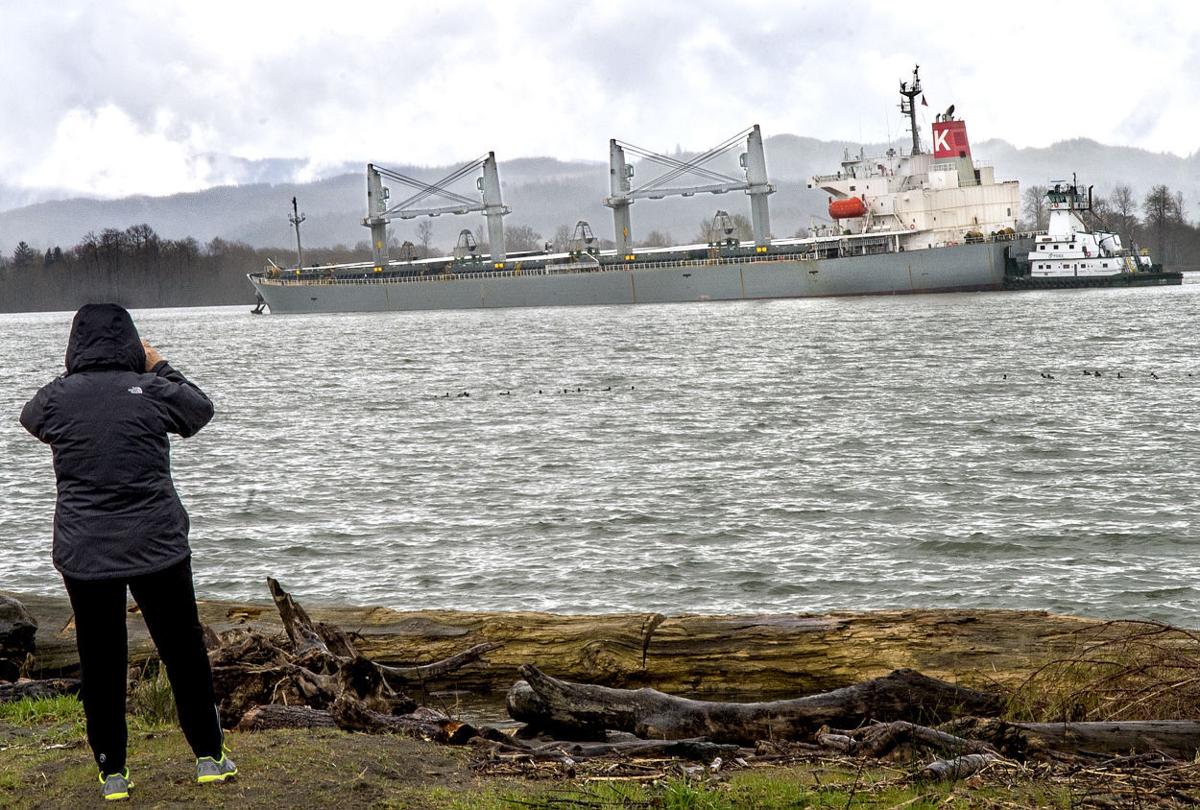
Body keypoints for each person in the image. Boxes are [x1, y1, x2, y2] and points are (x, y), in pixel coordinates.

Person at [19, 303, 237, 801]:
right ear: (133, 343)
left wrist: (77, 376)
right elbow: (199, 409)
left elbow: (32, 418)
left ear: (75, 345)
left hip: (84, 550)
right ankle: (209, 757)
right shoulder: (154, 389)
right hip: (157, 544)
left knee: (100, 658)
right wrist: (157, 365)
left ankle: (112, 771)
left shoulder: (54, 398)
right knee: (183, 649)